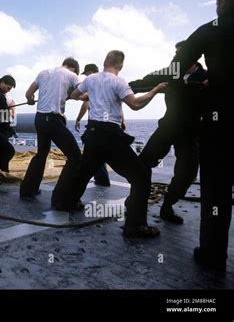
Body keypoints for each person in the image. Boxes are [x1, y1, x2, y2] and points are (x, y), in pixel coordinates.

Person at [52, 50, 167, 238]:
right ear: (120, 66)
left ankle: (67, 203)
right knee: (141, 177)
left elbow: (73, 94)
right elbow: (135, 105)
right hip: (111, 137)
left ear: (104, 62)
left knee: (83, 173)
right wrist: (155, 90)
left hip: (93, 134)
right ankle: (135, 226)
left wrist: (91, 96)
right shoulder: (119, 81)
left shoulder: (91, 80)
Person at [165, 0, 233, 271]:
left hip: (220, 123)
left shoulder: (209, 31)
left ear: (221, 2)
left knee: (216, 191)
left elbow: (175, 68)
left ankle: (213, 254)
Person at [128, 42, 207, 225]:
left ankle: (167, 206)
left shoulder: (207, 77)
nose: (176, 58)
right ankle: (136, 200)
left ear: (194, 55)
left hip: (191, 131)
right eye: (175, 54)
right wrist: (113, 86)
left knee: (187, 174)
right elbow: (140, 84)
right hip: (168, 126)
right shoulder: (168, 73)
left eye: (181, 54)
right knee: (143, 163)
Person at [19, 57, 83, 204]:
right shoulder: (72, 76)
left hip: (40, 119)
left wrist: (30, 100)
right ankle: (62, 196)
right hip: (53, 120)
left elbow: (28, 94)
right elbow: (81, 93)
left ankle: (28, 190)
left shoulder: (43, 72)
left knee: (41, 154)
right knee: (75, 157)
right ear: (74, 68)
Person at [75, 63, 115, 187]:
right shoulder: (109, 81)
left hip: (95, 124)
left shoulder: (92, 82)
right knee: (100, 151)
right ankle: (101, 179)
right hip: (110, 123)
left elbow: (85, 102)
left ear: (91, 71)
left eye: (86, 73)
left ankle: (97, 179)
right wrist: (122, 121)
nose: (86, 76)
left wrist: (78, 119)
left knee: (90, 152)